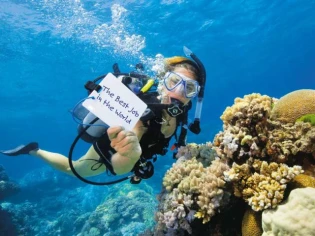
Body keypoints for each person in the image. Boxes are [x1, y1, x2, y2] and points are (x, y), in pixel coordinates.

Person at [1, 47, 206, 185]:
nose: (179, 92)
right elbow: (119, 166)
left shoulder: (183, 111)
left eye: (189, 88)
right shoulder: (143, 113)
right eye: (173, 81)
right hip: (112, 146)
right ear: (162, 82)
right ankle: (34, 151)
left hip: (136, 154)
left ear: (194, 95)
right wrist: (130, 157)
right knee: (74, 169)